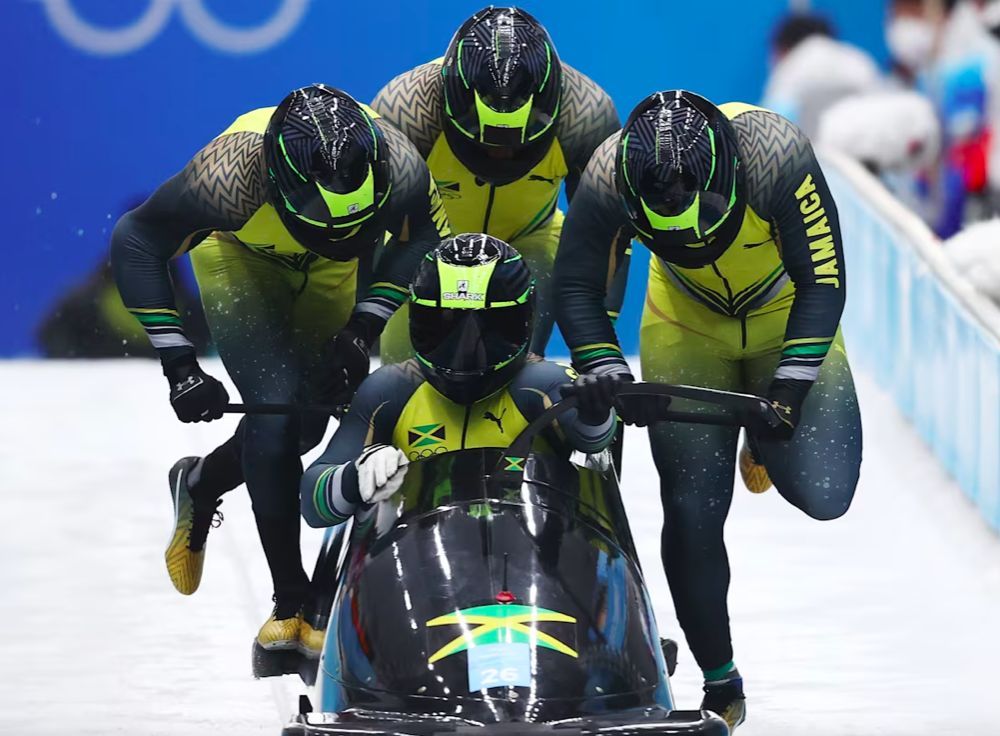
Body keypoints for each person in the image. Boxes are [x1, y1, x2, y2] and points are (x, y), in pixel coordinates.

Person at [553, 91, 863, 730]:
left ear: (724, 179)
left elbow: (824, 280)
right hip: (685, 322)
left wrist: (790, 391)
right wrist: (610, 369)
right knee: (692, 511)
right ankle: (720, 675)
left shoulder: (776, 154)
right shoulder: (612, 171)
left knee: (826, 491)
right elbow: (577, 286)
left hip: (785, 314)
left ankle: (762, 439)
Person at [111, 84, 449, 657]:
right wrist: (180, 364)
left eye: (354, 221)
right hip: (240, 256)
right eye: (322, 218)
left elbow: (426, 240)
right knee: (274, 408)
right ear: (280, 187)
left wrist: (363, 327)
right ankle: (292, 603)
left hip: (331, 274)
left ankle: (200, 483)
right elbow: (136, 238)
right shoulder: (227, 178)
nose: (337, 231)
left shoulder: (402, 167)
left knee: (308, 422)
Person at [300, 233, 617, 535]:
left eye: (488, 331)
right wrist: (354, 477)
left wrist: (595, 410)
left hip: (527, 559)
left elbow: (592, 442)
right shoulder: (390, 391)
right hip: (417, 563)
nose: (465, 351)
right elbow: (313, 502)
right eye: (445, 328)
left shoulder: (543, 383)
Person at [370, 5, 622, 361]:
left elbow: (605, 235)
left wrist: (597, 348)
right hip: (425, 246)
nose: (500, 155)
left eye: (519, 142)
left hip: (532, 242)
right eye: (481, 141)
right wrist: (362, 326)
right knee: (409, 368)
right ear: (449, 104)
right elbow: (375, 231)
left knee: (510, 363)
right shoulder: (408, 108)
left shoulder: (586, 114)